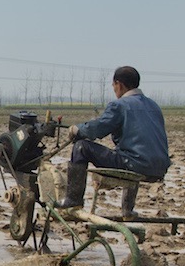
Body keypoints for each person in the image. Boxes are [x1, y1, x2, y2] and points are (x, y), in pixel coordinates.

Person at [57, 65, 170, 211]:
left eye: (113, 85)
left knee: (81, 147)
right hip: (159, 167)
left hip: (134, 164)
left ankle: (73, 200)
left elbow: (99, 128)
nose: (114, 89)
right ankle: (127, 210)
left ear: (119, 84)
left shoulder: (119, 105)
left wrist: (77, 129)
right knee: (131, 154)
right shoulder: (154, 106)